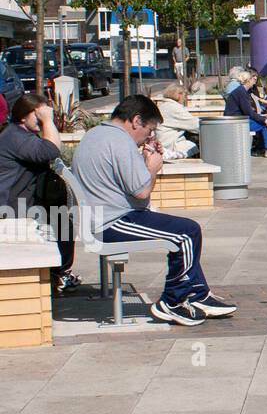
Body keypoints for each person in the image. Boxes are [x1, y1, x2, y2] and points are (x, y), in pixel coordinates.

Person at [72, 95, 237, 326]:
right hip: (111, 222)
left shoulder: (97, 135)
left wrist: (144, 158)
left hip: (103, 217)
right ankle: (172, 301)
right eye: (149, 130)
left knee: (184, 231)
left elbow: (127, 184)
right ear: (136, 121)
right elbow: (141, 192)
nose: (149, 137)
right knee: (186, 233)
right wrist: (153, 166)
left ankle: (198, 295)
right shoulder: (119, 142)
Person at [0, 93, 80, 293]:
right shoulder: (16, 137)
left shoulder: (18, 134)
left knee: (62, 223)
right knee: (61, 224)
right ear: (23, 116)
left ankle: (57, 275)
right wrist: (48, 120)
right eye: (38, 116)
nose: (43, 121)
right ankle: (57, 275)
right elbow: (50, 150)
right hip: (11, 208)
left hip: (22, 204)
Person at [224, 69, 267, 156]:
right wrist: (264, 120)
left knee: (265, 120)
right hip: (237, 122)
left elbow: (247, 111)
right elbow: (249, 113)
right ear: (248, 80)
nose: (254, 82)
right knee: (266, 122)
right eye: (253, 79)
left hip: (237, 120)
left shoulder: (241, 91)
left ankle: (262, 148)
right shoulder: (241, 92)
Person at [154, 84, 201, 160]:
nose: (185, 98)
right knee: (199, 145)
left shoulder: (164, 105)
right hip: (170, 145)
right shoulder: (174, 108)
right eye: (185, 95)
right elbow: (196, 125)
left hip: (163, 142)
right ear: (179, 95)